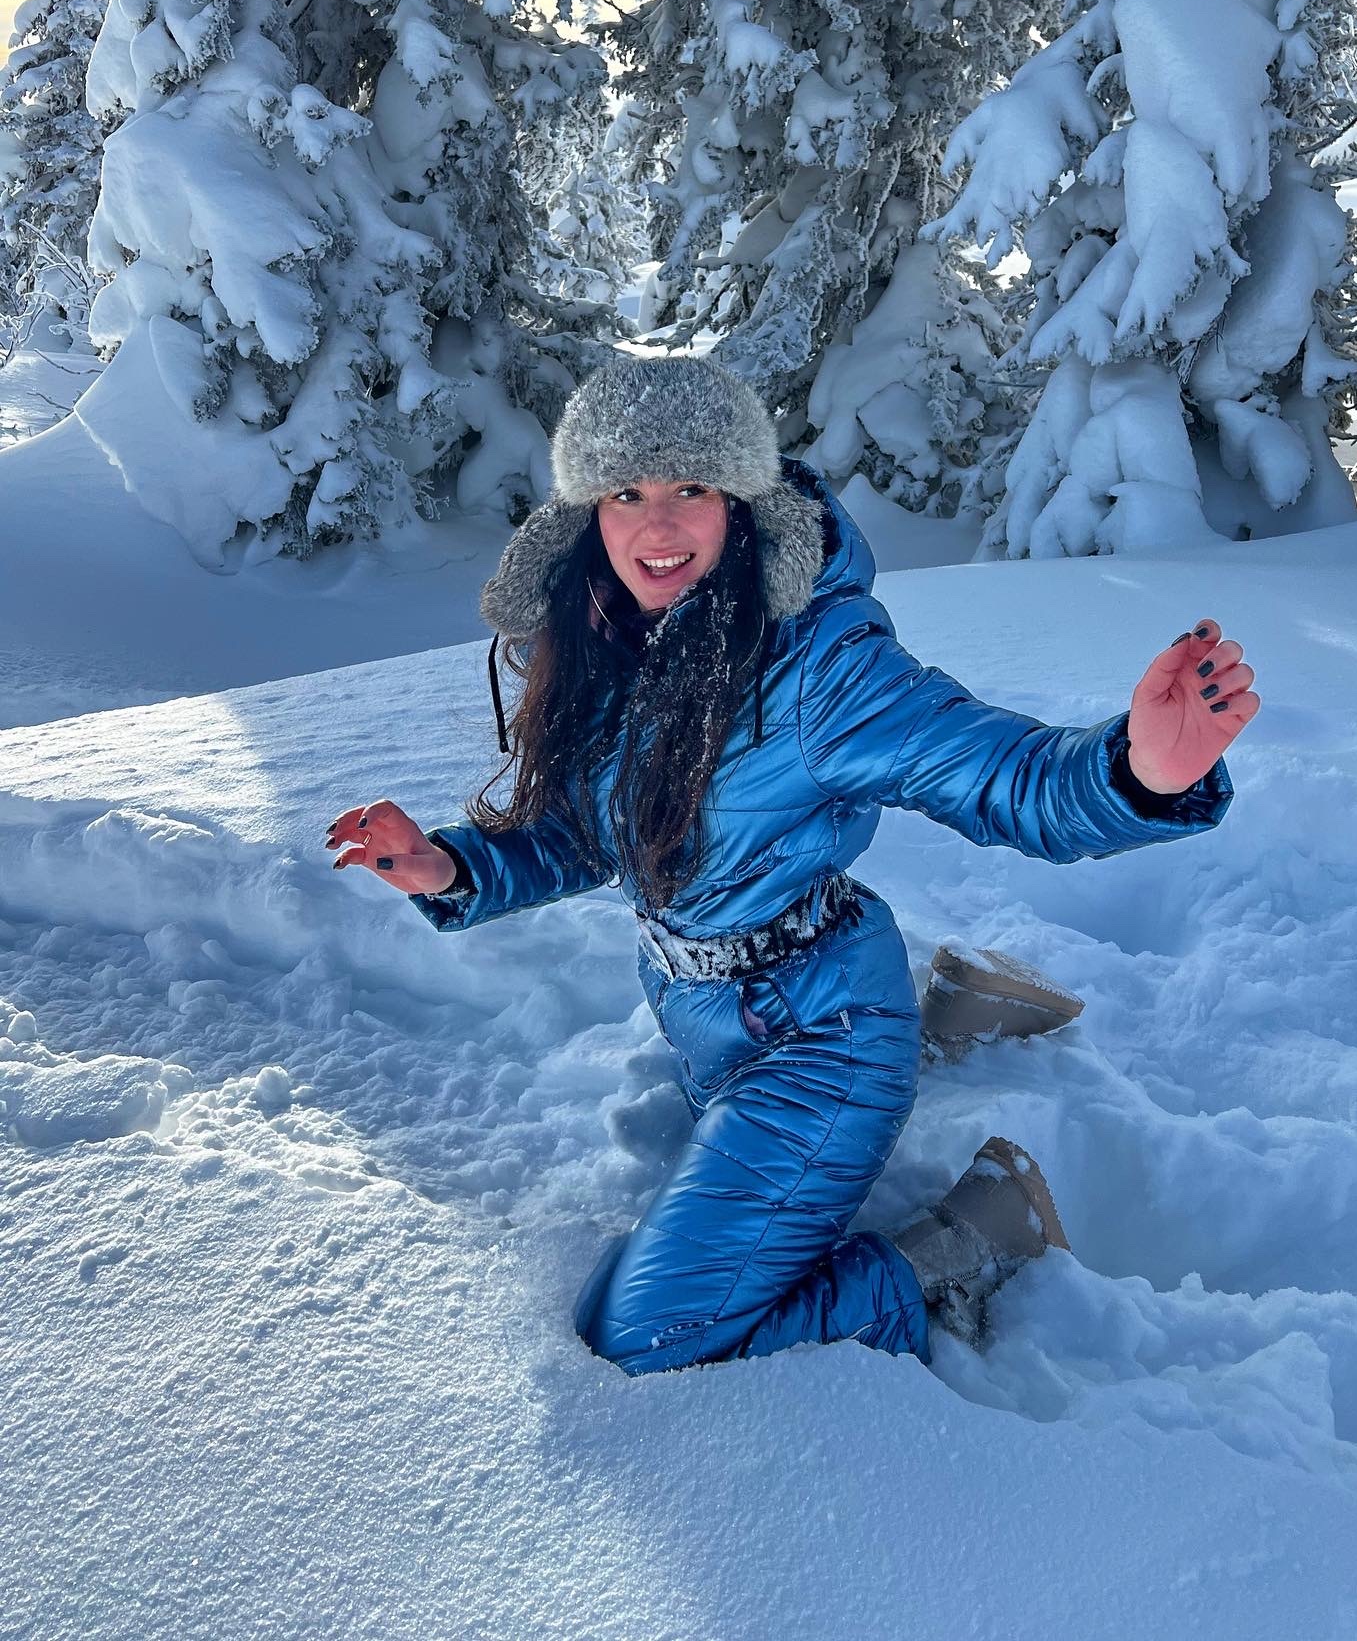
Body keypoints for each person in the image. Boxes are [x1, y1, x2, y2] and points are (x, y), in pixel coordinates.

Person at [326, 355, 1255, 1375]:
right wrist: (451, 870)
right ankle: (949, 1002)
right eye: (628, 493)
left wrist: (1138, 773)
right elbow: (593, 833)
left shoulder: (818, 665)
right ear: (590, 513)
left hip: (822, 1037)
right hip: (719, 1019)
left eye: (692, 487)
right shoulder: (611, 637)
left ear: (741, 503)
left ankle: (978, 1238)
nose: (659, 525)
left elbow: (1002, 775)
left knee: (653, 1338)